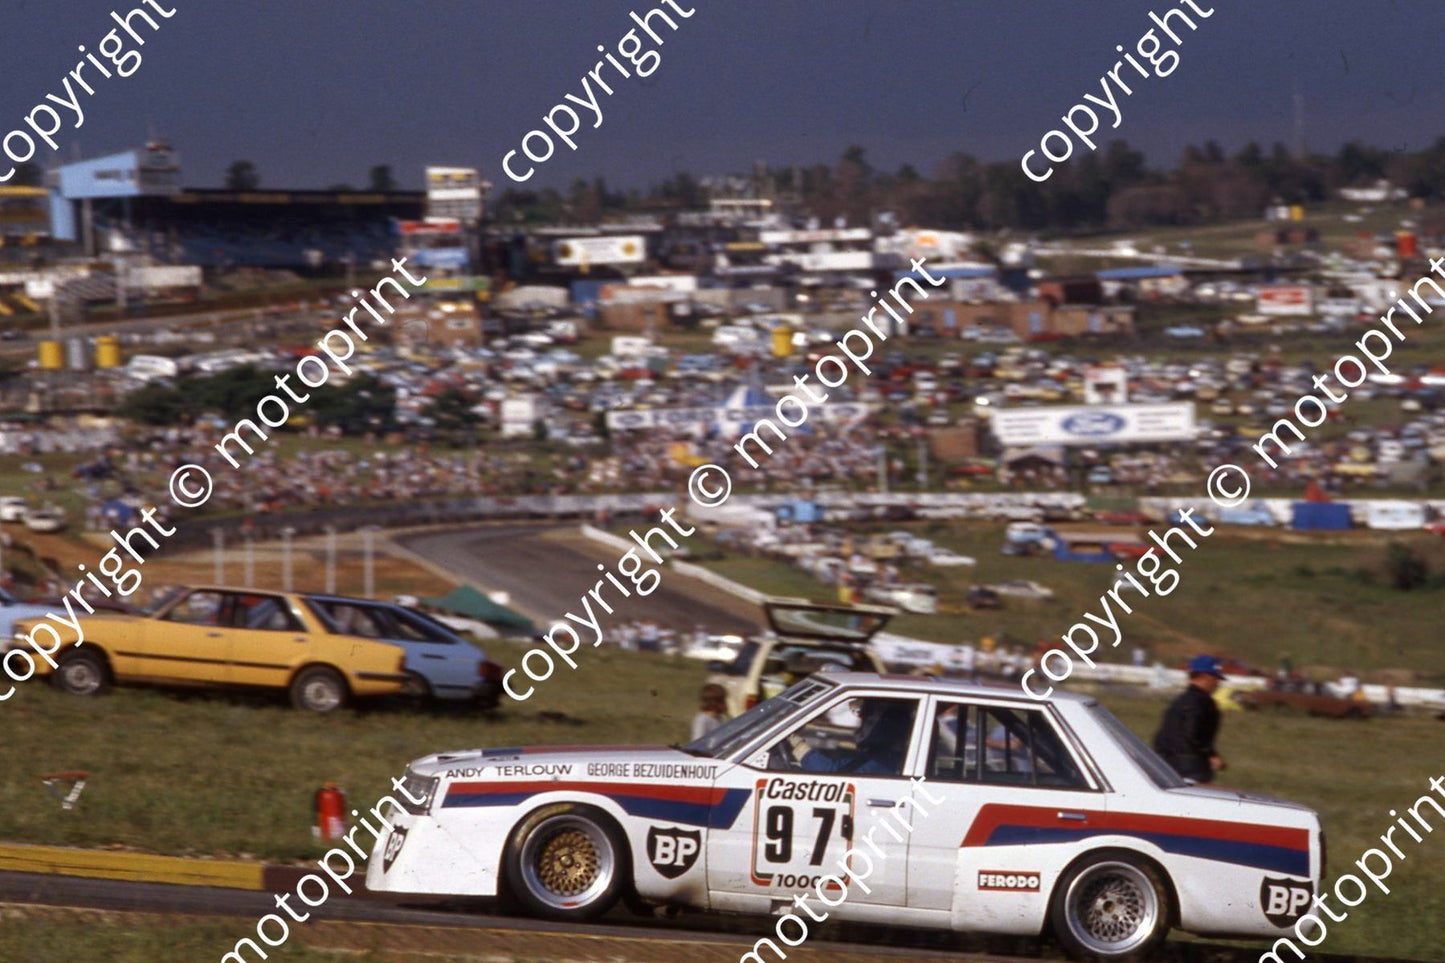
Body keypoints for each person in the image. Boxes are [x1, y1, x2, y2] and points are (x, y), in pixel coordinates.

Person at [1152, 655, 1227, 783]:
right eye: (1216, 679)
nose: (1217, 684)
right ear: (1205, 677)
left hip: (1167, 765)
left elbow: (1161, 738)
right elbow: (1192, 733)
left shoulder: (1180, 701)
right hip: (1191, 768)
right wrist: (1211, 755)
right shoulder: (1202, 702)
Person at [801, 699, 914, 775]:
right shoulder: (880, 753)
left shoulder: (882, 761)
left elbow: (836, 774)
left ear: (886, 726)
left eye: (868, 722)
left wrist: (801, 749)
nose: (861, 727)